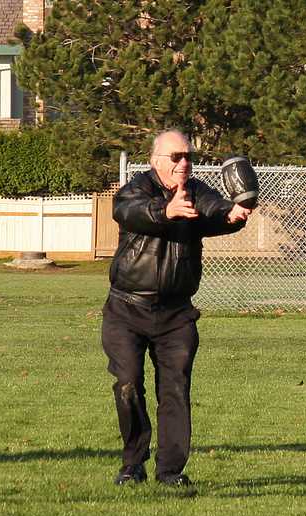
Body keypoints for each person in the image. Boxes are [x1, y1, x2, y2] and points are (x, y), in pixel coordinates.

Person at [102, 129, 251, 487]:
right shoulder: (136, 190)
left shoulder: (196, 192)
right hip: (126, 309)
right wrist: (165, 211)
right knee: (128, 383)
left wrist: (233, 212)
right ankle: (132, 464)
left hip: (176, 314)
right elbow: (127, 211)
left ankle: (170, 471)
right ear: (156, 161)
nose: (184, 163)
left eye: (188, 157)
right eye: (176, 157)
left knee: (175, 389)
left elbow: (213, 208)